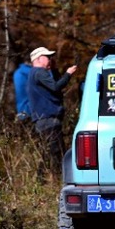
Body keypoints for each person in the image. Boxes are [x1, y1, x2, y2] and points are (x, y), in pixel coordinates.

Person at [27, 46, 78, 178]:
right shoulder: (39, 72)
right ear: (39, 59)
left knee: (48, 152)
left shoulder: (35, 73)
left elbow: (54, 84)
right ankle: (54, 179)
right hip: (48, 119)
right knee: (56, 153)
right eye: (47, 57)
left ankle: (43, 179)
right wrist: (68, 74)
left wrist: (54, 69)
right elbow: (56, 87)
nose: (50, 59)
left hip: (44, 120)